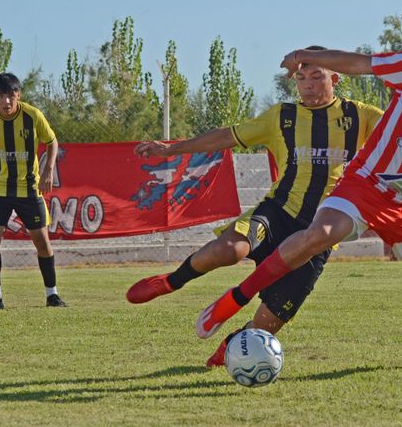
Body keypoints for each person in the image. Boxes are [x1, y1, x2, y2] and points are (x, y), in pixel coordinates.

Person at [194, 22, 402, 369]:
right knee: (319, 235)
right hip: (367, 182)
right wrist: (304, 56)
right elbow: (358, 63)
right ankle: (231, 302)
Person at [126, 47, 383, 366]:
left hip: (320, 231)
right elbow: (225, 137)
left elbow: (401, 140)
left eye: (317, 76)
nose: (308, 85)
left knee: (269, 322)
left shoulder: (363, 116)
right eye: (301, 78)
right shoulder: (282, 116)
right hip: (278, 212)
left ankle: (232, 345)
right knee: (229, 249)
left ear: (336, 78)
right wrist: (171, 150)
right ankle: (171, 280)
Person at [0, 73, 65, 310]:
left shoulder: (33, 116)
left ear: (18, 95)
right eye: (1, 96)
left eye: (11, 96)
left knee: (42, 241)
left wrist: (48, 170)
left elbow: (52, 142)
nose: (7, 102)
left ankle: (52, 295)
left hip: (29, 187)